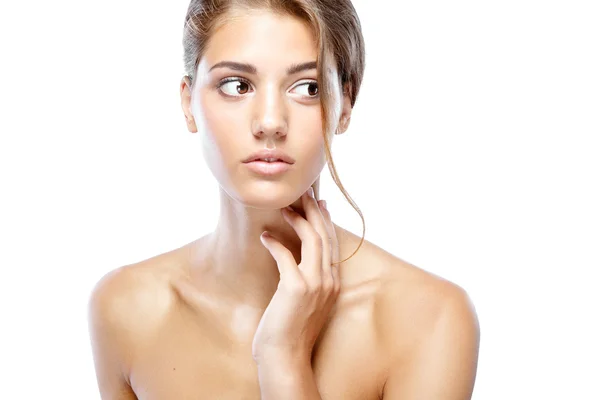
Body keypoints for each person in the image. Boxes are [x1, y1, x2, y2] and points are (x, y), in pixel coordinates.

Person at [88, 0, 480, 398]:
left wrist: (284, 356)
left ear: (345, 105)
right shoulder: (126, 309)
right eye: (237, 86)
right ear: (189, 103)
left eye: (307, 88)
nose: (271, 122)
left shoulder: (429, 319)